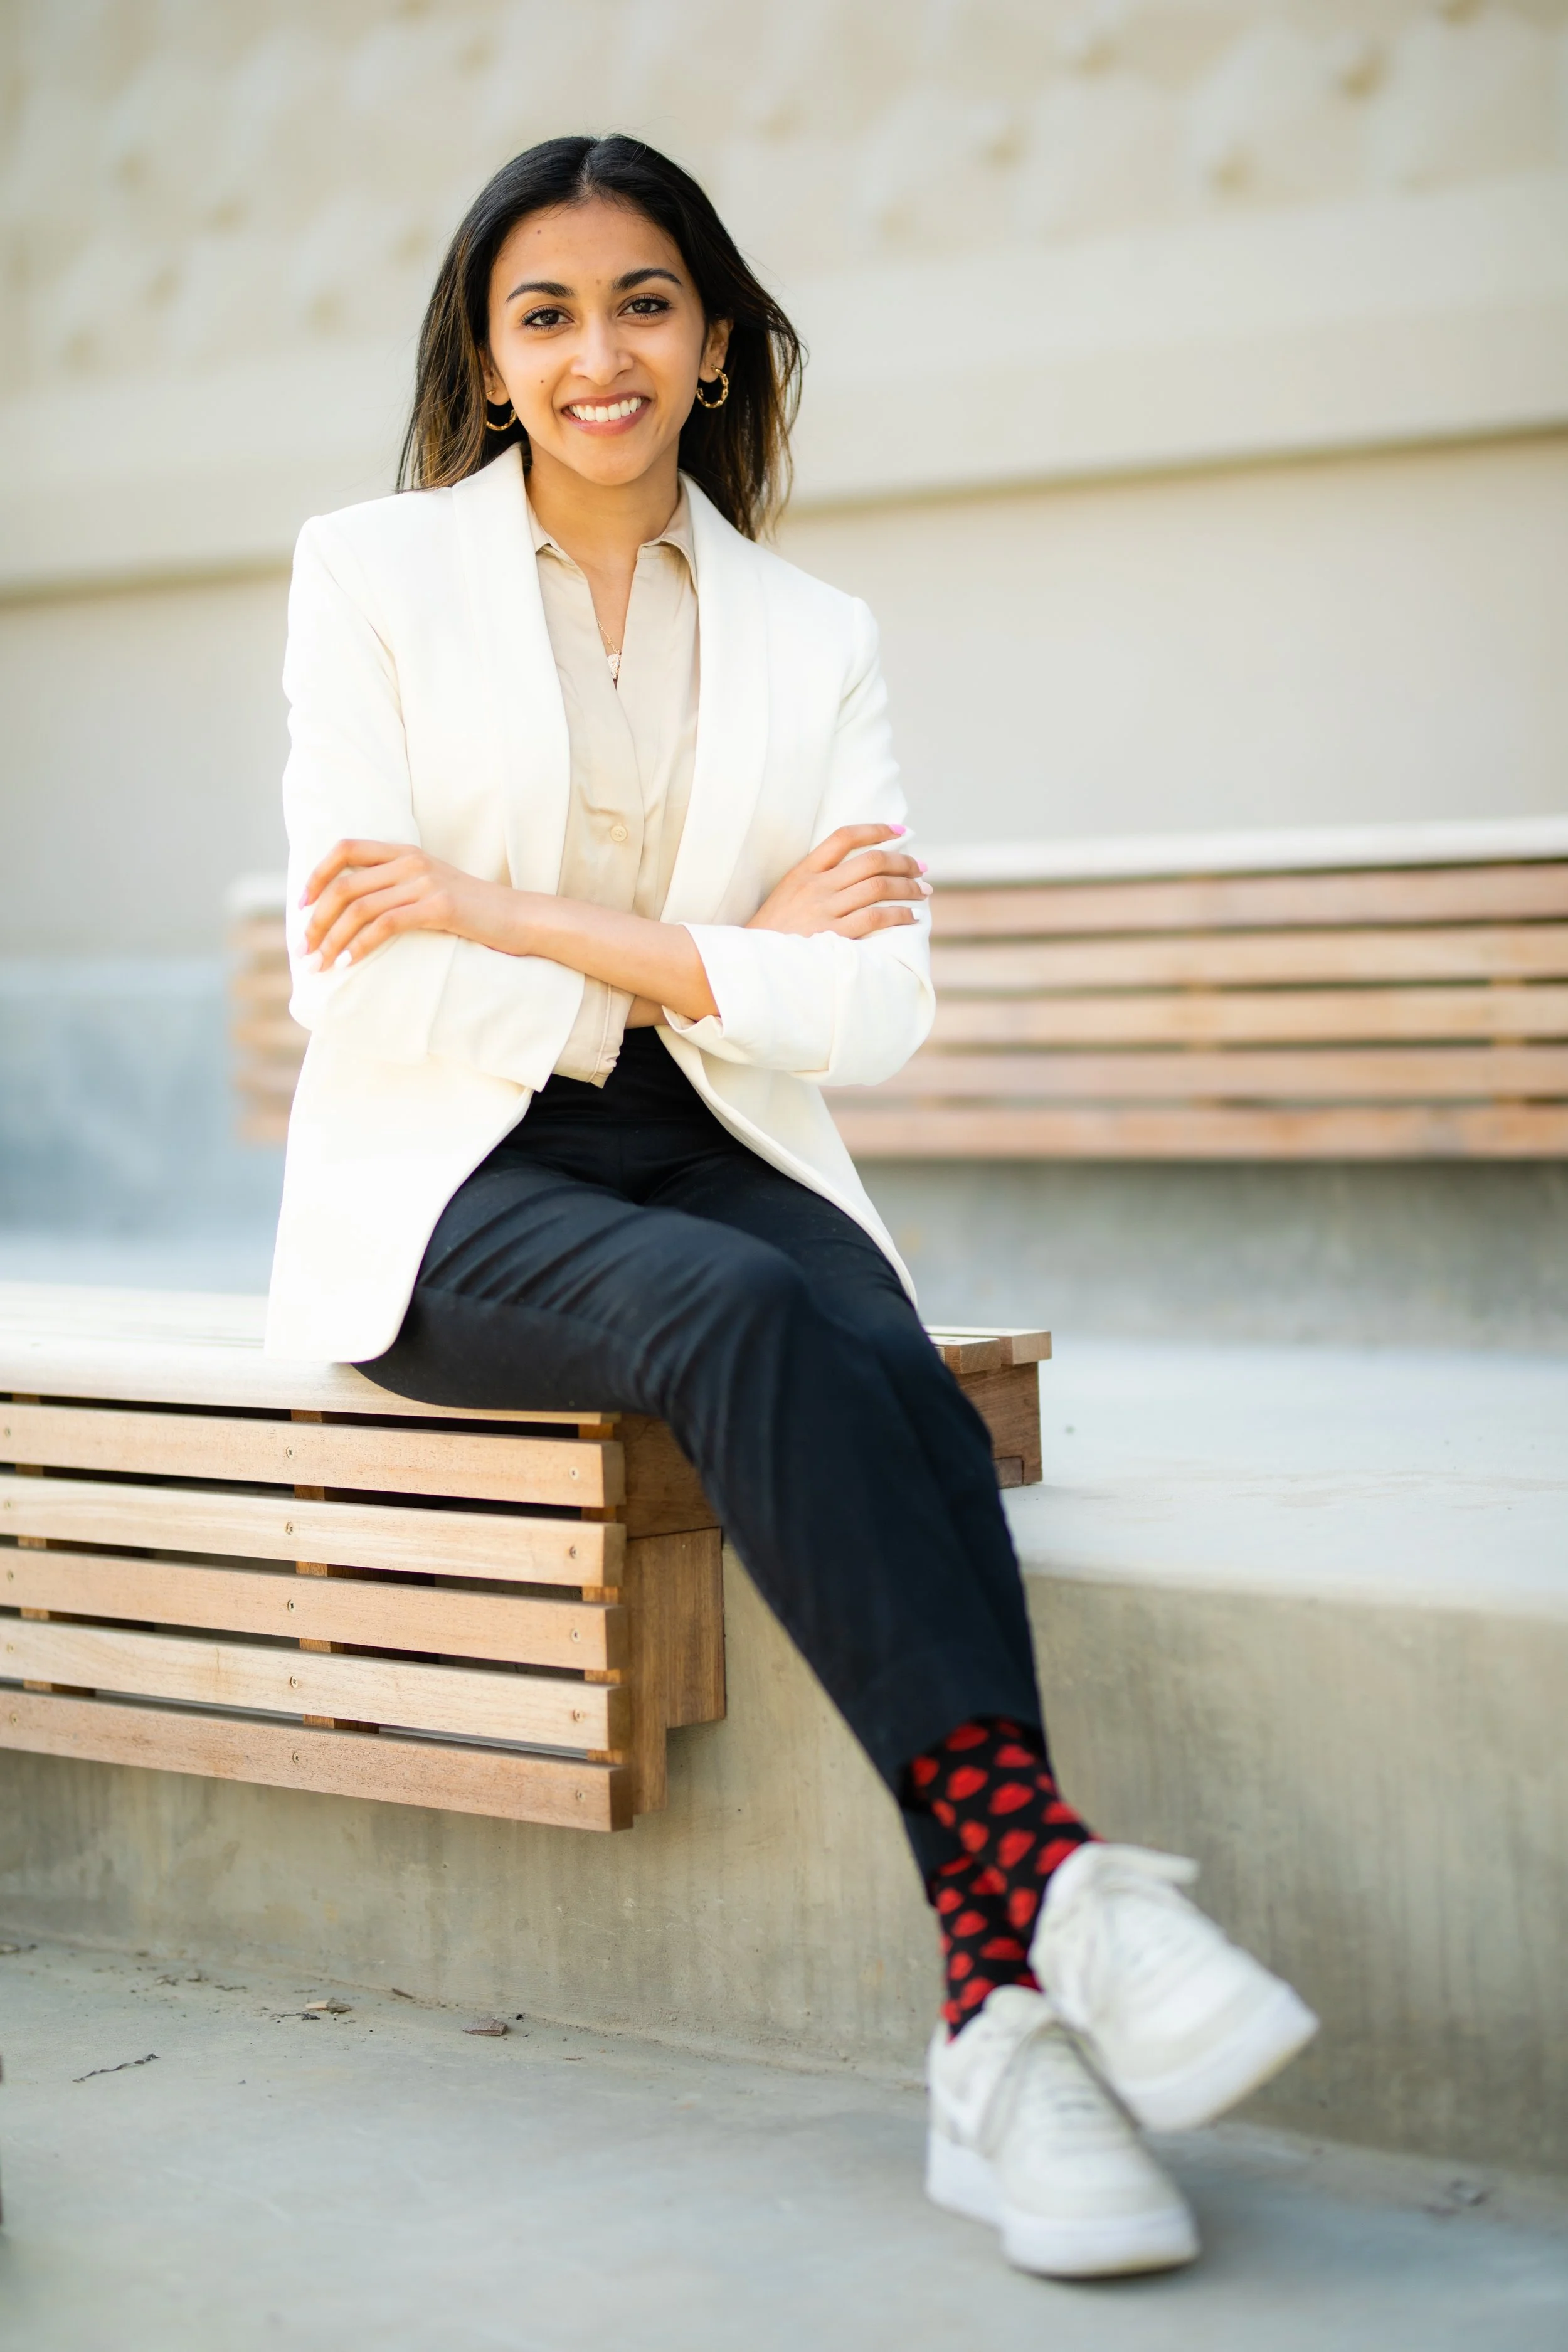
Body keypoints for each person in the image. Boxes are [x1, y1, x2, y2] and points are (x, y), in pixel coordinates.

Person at [267, 132, 1316, 2282]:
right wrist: (714, 927)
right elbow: (358, 960)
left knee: (884, 1365)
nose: (599, 352)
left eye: (645, 302)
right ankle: (1050, 1913)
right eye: (544, 313)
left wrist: (517, 904)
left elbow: (877, 998)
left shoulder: (810, 629)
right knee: (752, 1325)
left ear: (717, 342)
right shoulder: (370, 575)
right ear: (485, 365)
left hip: (721, 1138)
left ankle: (992, 2028)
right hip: (457, 1177)